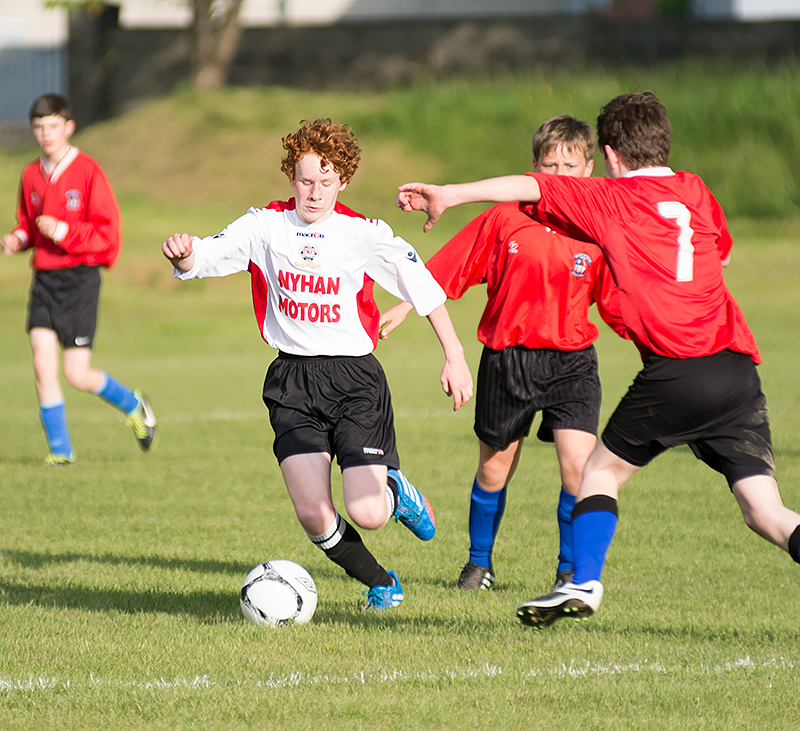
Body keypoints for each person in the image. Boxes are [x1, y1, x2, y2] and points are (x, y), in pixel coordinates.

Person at [396, 91, 800, 628]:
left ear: (606, 158)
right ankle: (506, 566)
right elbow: (718, 249)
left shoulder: (610, 200)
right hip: (736, 370)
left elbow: (528, 187)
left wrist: (450, 192)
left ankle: (581, 580)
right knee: (765, 512)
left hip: (675, 370)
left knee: (597, 473)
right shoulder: (696, 191)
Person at [161, 118, 473, 611]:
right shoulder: (264, 225)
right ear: (291, 177)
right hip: (291, 381)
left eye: (327, 182)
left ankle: (393, 489)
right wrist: (182, 255)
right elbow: (205, 257)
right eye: (306, 180)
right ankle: (381, 582)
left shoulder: (361, 233)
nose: (315, 193)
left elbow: (423, 286)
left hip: (354, 381)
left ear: (343, 181)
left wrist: (454, 356)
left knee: (367, 511)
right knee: (312, 513)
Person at [380, 116, 628, 593]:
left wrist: (654, 337)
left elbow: (619, 301)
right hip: (507, 358)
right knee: (494, 469)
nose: (559, 174)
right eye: (549, 164)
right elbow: (449, 266)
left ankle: (570, 569)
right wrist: (404, 305)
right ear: (533, 168)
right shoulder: (505, 218)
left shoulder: (597, 228)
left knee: (579, 467)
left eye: (570, 165)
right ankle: (479, 564)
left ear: (590, 168)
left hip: (571, 362)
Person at [2, 93, 156, 466]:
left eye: (53, 126)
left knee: (76, 374)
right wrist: (19, 238)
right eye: (39, 127)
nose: (45, 134)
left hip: (79, 280)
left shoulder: (87, 171)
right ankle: (61, 452)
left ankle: (135, 406)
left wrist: (63, 232)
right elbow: (29, 224)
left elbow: (107, 236)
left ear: (68, 127)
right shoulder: (29, 174)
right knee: (41, 361)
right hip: (44, 279)